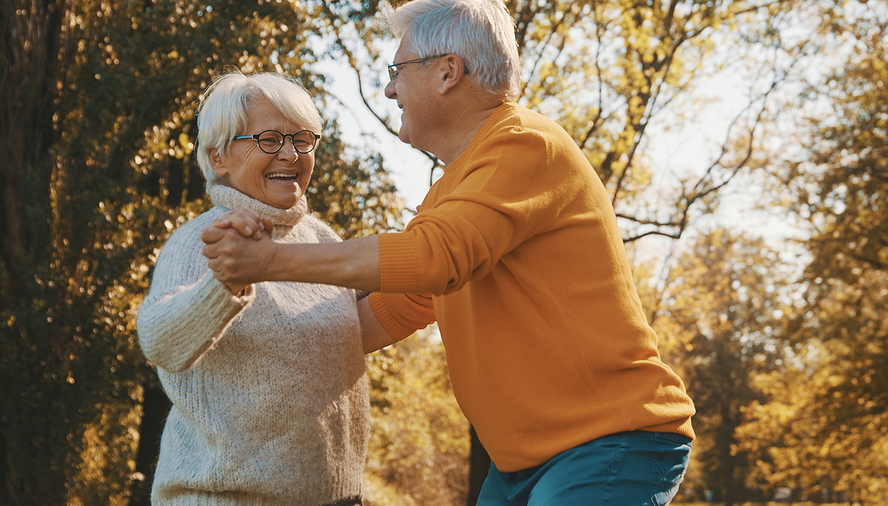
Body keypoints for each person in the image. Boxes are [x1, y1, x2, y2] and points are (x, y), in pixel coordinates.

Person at [201, 0, 696, 504]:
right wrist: (240, 338)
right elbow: (397, 307)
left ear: (447, 72)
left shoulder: (524, 145)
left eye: (398, 70)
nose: (390, 87)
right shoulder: (454, 188)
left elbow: (436, 257)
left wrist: (269, 260)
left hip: (609, 437)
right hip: (521, 462)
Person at [136, 71, 369, 506]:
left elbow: (347, 342)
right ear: (219, 156)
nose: (291, 153)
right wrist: (226, 284)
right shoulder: (200, 240)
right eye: (269, 139)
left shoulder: (323, 241)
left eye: (302, 138)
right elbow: (159, 342)